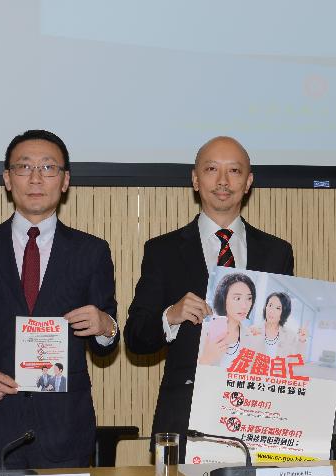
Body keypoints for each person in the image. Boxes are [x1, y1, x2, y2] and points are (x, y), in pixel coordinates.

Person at [0, 129, 119, 469]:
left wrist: (104, 326)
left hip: (65, 430)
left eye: (48, 167)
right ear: (8, 179)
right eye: (24, 167)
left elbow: (105, 343)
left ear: (65, 181)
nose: (36, 178)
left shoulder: (91, 251)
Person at [123, 136, 297, 459]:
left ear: (248, 182)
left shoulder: (277, 252)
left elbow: (281, 330)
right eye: (211, 169)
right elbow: (135, 338)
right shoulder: (162, 251)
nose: (223, 181)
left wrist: (331, 328)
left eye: (234, 171)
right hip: (185, 420)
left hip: (259, 417)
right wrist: (171, 316)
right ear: (195, 179)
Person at [198, 272, 257, 367]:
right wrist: (206, 359)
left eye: (249, 298)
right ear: (223, 299)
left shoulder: (251, 338)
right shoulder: (203, 330)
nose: (244, 306)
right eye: (237, 298)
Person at [248, 292, 307, 357]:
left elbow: (296, 360)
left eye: (278, 308)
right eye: (270, 305)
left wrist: (302, 341)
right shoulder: (252, 330)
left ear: (284, 312)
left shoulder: (290, 335)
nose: (271, 311)